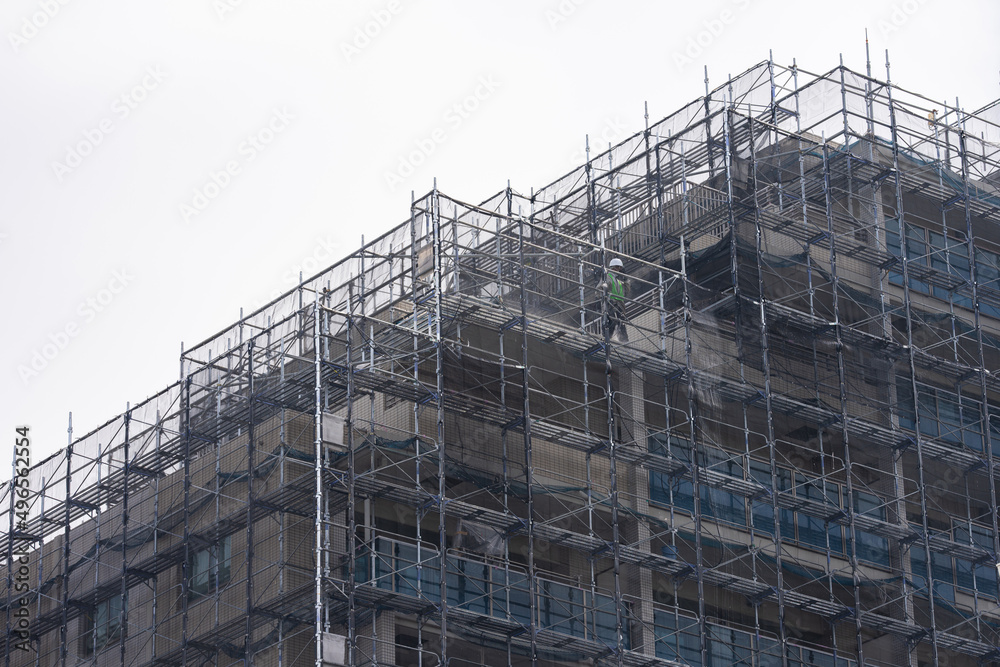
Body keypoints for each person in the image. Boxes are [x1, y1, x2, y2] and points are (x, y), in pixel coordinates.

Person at [601, 257, 629, 342]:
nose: (619, 270)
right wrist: (605, 298)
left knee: (621, 324)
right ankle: (607, 340)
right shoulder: (608, 277)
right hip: (611, 304)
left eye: (620, 268)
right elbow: (600, 289)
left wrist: (626, 280)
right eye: (618, 267)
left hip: (619, 305)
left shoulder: (619, 280)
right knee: (611, 323)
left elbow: (626, 292)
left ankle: (623, 342)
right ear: (613, 267)